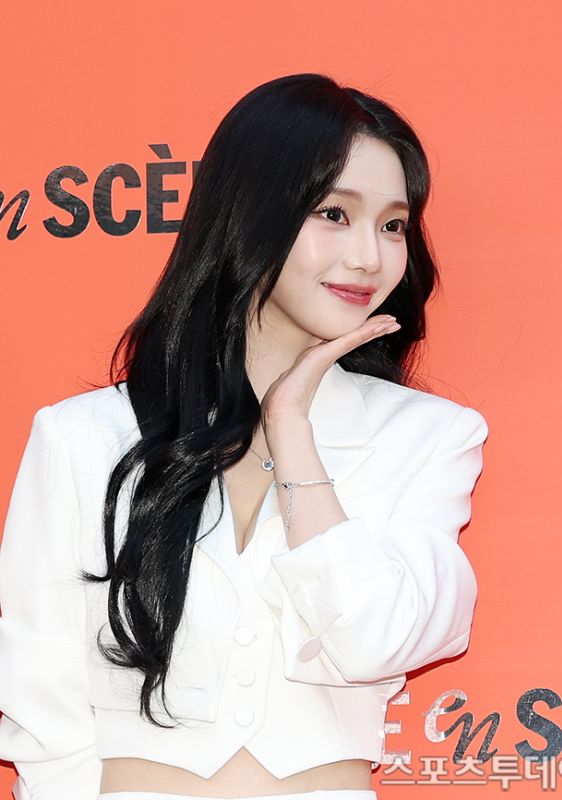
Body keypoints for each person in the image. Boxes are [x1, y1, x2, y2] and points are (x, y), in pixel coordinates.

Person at [0, 73, 489, 800]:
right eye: (333, 213)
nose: (369, 256)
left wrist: (292, 429)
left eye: (393, 225)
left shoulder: (429, 437)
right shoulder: (83, 436)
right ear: (248, 213)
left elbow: (375, 638)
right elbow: (41, 691)